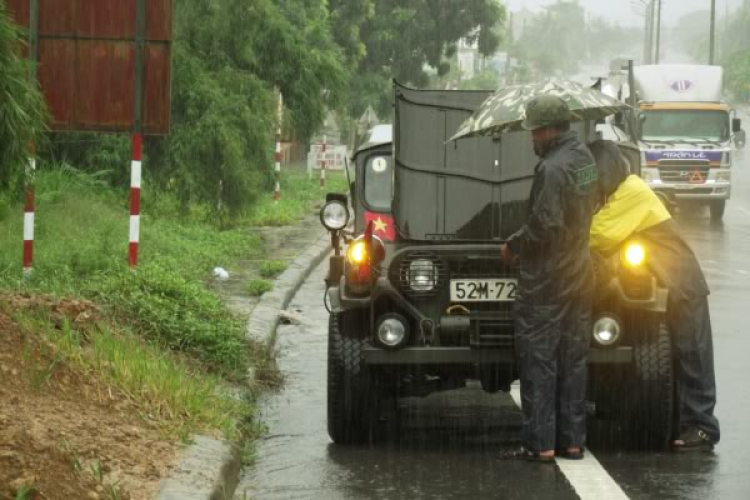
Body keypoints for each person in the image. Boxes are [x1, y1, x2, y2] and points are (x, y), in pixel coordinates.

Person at [588, 140, 720, 451]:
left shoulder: (632, 193)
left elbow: (600, 235)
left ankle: (702, 428)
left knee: (692, 357)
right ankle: (687, 424)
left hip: (683, 283)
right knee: (681, 356)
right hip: (672, 283)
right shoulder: (624, 191)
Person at [500, 95, 599, 463]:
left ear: (549, 130)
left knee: (539, 361)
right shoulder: (586, 160)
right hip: (580, 272)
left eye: (534, 132)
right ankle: (572, 442)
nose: (531, 140)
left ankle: (539, 445)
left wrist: (514, 245)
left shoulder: (552, 170)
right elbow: (592, 202)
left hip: (548, 279)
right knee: (573, 359)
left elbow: (545, 224)